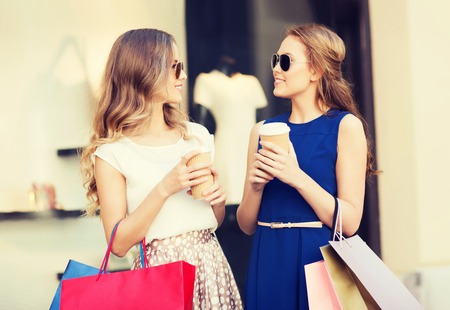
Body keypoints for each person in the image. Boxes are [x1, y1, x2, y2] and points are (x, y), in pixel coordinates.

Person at [80, 28, 243, 309]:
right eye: (174, 67)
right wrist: (165, 188)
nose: (183, 75)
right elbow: (118, 245)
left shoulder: (197, 136)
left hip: (211, 266)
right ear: (145, 72)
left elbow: (211, 221)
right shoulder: (112, 154)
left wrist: (217, 200)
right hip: (159, 277)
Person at [236, 23, 378, 309]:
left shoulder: (345, 126)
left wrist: (296, 177)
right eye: (275, 60)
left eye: (285, 61)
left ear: (316, 71)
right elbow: (246, 224)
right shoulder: (263, 130)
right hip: (266, 258)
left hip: (317, 258)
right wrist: (255, 186)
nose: (276, 69)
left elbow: (350, 222)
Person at [194, 56, 268, 205]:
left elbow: (262, 120)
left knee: (254, 196)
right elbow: (200, 123)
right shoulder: (206, 80)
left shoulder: (251, 82)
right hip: (226, 146)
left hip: (251, 145)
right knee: (227, 196)